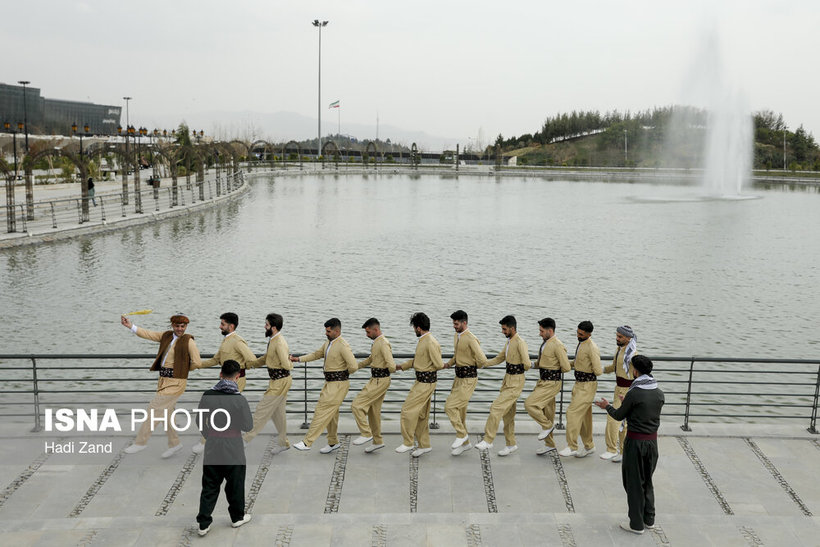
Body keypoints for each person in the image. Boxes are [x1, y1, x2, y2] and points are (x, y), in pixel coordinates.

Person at [595, 355, 664, 535]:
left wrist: (607, 406)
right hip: (652, 443)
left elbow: (618, 416)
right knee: (647, 481)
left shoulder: (634, 392)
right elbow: (643, 411)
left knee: (633, 483)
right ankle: (649, 519)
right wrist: (628, 403)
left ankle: (636, 524)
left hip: (635, 443)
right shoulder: (658, 392)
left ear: (635, 371)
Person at [120, 313, 201, 458]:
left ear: (186, 327)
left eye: (183, 326)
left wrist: (182, 369)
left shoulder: (189, 342)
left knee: (154, 409)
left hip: (176, 382)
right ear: (172, 325)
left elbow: (197, 362)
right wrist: (130, 326)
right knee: (166, 414)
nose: (180, 329)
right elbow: (148, 334)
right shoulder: (166, 336)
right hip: (163, 380)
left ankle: (140, 442)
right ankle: (175, 444)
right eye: (177, 326)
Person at [195, 360, 253, 536]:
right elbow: (248, 426)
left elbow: (199, 420)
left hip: (213, 442)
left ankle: (203, 523)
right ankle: (237, 518)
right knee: (235, 483)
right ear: (237, 377)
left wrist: (208, 434)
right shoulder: (239, 399)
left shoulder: (207, 395)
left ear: (220, 375)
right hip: (233, 444)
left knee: (210, 483)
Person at [291, 318, 358, 452]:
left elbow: (354, 366)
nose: (326, 333)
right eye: (326, 331)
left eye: (328, 331)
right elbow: (317, 354)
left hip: (338, 384)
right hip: (329, 383)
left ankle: (307, 442)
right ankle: (333, 443)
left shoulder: (343, 345)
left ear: (337, 331)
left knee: (321, 410)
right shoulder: (328, 343)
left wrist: (342, 375)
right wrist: (298, 359)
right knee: (332, 414)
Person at [194, 312, 258, 454]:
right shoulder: (226, 340)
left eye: (222, 324)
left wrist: (240, 368)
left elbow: (252, 359)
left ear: (231, 326)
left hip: (236, 380)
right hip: (225, 380)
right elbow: (215, 360)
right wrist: (196, 365)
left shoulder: (237, 341)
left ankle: (207, 441)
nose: (220, 326)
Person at [474, 316, 530, 456]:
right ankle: (511, 444)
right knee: (508, 416)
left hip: (515, 383)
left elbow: (527, 364)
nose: (502, 331)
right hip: (507, 381)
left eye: (504, 329)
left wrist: (517, 367)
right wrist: (484, 364)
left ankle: (488, 440)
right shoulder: (509, 341)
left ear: (512, 328)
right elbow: (500, 358)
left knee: (496, 408)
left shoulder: (520, 342)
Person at [395, 312, 445, 458]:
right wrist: (401, 366)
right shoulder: (424, 340)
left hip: (425, 383)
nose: (413, 331)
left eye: (413, 328)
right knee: (422, 415)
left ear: (418, 327)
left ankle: (408, 441)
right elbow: (418, 359)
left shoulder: (430, 342)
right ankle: (424, 445)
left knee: (407, 411)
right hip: (423, 382)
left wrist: (432, 367)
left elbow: (438, 364)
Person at [243, 313, 292, 454]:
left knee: (261, 410)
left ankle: (245, 440)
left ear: (274, 327)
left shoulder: (279, 342)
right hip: (276, 381)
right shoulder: (273, 340)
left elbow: (285, 364)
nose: (264, 327)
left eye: (267, 325)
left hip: (280, 382)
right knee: (278, 414)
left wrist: (290, 363)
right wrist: (251, 365)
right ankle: (283, 443)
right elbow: (267, 358)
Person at [443, 310, 488, 455]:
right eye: (453, 324)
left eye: (456, 324)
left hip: (468, 379)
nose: (454, 326)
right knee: (460, 412)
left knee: (450, 406)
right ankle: (466, 444)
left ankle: (462, 434)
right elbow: (457, 355)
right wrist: (449, 364)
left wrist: (470, 367)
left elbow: (482, 360)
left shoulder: (471, 339)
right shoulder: (457, 335)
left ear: (464, 323)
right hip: (458, 378)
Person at [524, 317, 571, 455]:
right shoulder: (545, 343)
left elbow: (566, 367)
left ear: (550, 331)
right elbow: (542, 362)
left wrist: (553, 370)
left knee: (530, 404)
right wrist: (531, 364)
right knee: (548, 413)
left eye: (541, 331)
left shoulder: (557, 345)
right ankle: (550, 444)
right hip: (543, 381)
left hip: (551, 383)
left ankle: (547, 426)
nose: (540, 333)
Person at [350, 318, 396, 453]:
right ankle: (377, 441)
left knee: (357, 405)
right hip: (376, 379)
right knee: (373, 413)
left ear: (376, 329)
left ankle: (365, 433)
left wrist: (393, 367)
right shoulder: (377, 342)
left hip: (379, 381)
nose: (367, 335)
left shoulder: (383, 343)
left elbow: (391, 366)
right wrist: (355, 367)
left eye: (368, 332)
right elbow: (371, 359)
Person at [560, 320, 602, 458]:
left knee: (572, 413)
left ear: (589, 334)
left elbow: (598, 370)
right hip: (579, 384)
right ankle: (589, 446)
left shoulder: (592, 347)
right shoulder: (581, 343)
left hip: (587, 386)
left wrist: (587, 370)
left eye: (581, 334)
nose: (578, 335)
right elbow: (579, 362)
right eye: (577, 332)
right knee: (584, 417)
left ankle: (572, 446)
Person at [600, 325, 637, 461]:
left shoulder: (633, 355)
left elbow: (639, 373)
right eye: (617, 335)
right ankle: (623, 452)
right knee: (624, 424)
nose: (617, 338)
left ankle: (611, 449)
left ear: (628, 338)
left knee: (613, 418)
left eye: (620, 337)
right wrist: (599, 369)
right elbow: (614, 368)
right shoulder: (619, 350)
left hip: (627, 391)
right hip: (618, 388)